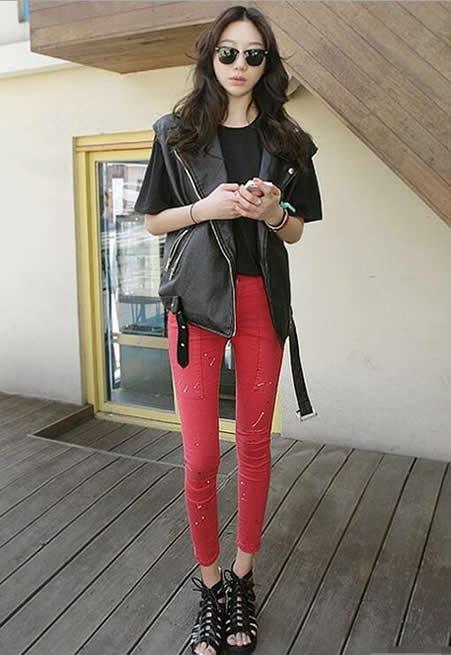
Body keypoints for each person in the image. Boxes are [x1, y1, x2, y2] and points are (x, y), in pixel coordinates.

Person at [134, 6, 323, 654]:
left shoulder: (288, 139)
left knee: (253, 445)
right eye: (228, 52)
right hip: (196, 304)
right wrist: (205, 208)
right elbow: (153, 221)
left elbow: (296, 230)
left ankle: (242, 575)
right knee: (199, 457)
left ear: (267, 65)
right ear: (210, 55)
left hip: (260, 300)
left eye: (254, 55)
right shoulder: (176, 133)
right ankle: (210, 583)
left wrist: (272, 213)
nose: (240, 65)